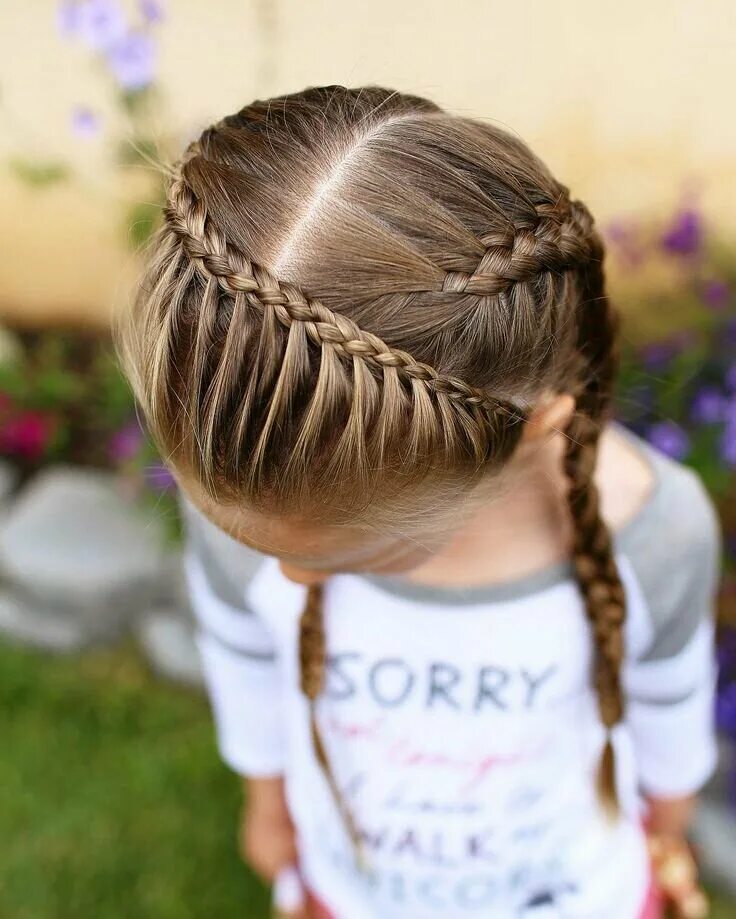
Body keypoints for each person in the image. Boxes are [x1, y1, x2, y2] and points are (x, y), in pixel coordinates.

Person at [117, 85, 721, 919]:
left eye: (347, 557)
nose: (285, 578)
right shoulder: (249, 482)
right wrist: (265, 795)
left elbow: (670, 700)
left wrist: (670, 824)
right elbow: (243, 658)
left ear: (537, 428)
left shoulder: (655, 534)